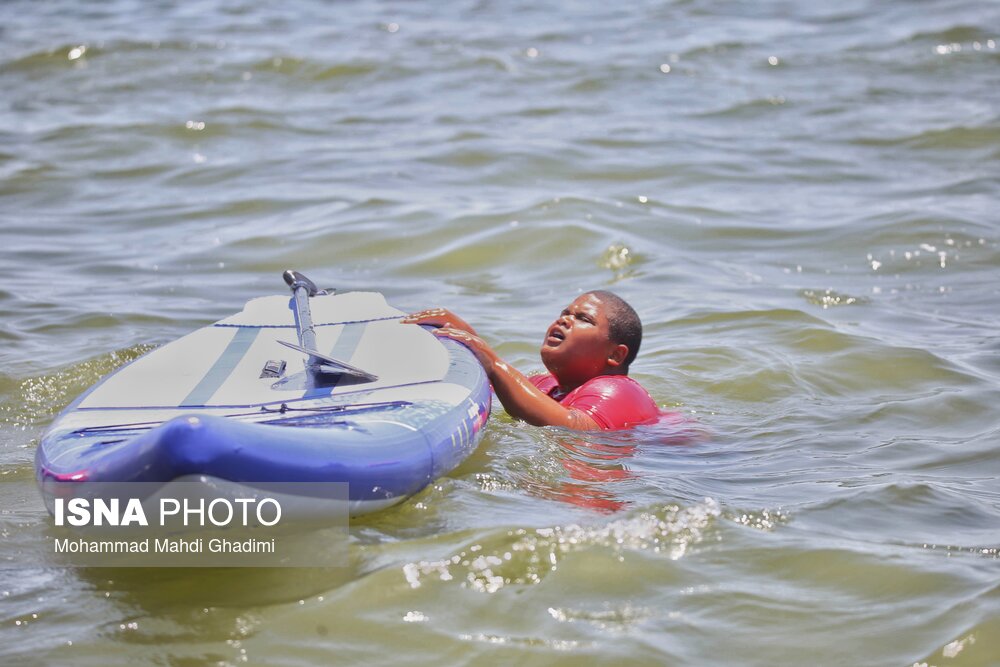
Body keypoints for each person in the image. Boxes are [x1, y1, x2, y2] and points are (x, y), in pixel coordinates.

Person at [402, 291, 661, 431]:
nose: (564, 320)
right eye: (564, 313)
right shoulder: (545, 386)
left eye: (584, 319)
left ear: (615, 355)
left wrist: (493, 362)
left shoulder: (619, 389)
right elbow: (494, 389)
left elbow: (576, 427)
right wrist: (467, 339)